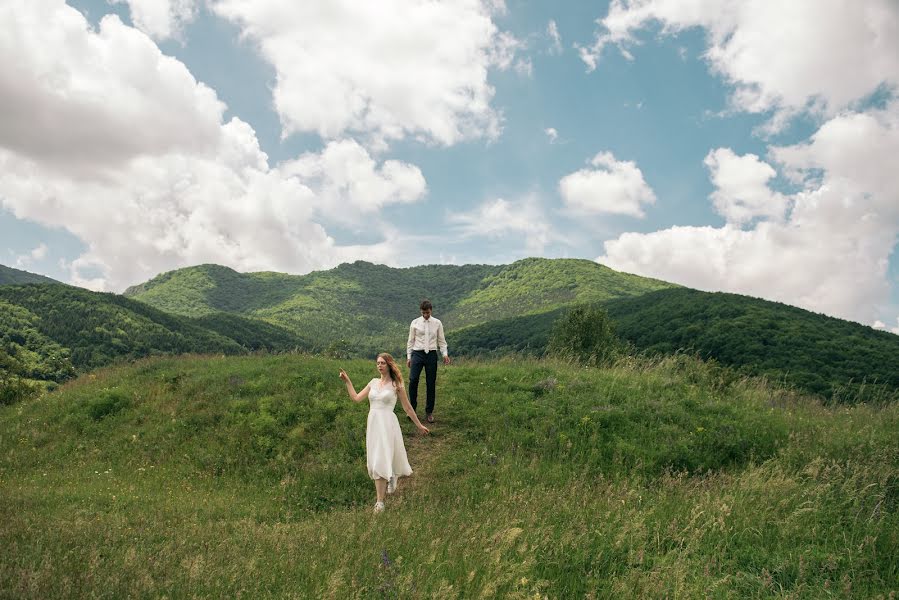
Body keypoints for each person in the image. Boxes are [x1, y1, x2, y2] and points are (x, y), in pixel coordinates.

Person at [339, 353, 429, 514]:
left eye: (382, 363)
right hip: (373, 424)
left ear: (389, 365)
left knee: (382, 456)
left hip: (388, 423)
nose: (379, 365)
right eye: (377, 363)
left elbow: (408, 408)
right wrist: (348, 381)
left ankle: (380, 502)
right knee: (375, 458)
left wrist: (419, 425)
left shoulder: (396, 385)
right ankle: (391, 475)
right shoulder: (373, 383)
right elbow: (356, 398)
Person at [406, 299, 450, 424]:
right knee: (413, 380)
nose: (426, 315)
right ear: (421, 311)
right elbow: (410, 340)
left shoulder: (437, 323)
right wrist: (409, 356)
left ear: (431, 310)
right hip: (417, 353)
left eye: (428, 313)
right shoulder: (414, 323)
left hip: (431, 353)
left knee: (431, 382)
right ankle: (412, 410)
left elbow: (441, 340)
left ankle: (429, 412)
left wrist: (444, 354)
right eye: (424, 313)